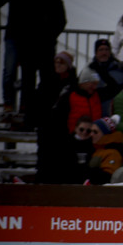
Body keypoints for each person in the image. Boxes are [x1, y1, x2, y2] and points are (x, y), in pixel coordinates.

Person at [0, 0, 66, 128]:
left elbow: (60, 19)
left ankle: (34, 107)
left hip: (41, 44)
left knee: (42, 78)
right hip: (19, 40)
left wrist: (50, 36)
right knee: (15, 74)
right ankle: (12, 104)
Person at [35, 51, 77, 183]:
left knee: (61, 158)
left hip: (63, 126)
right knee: (44, 156)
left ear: (68, 65)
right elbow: (38, 102)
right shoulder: (47, 80)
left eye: (62, 62)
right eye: (56, 61)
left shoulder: (73, 83)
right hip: (46, 125)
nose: (58, 64)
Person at [88, 38, 123, 113]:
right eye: (101, 50)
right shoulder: (89, 70)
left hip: (115, 113)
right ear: (96, 52)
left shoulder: (120, 71)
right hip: (94, 112)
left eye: (106, 50)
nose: (104, 53)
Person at [67, 67, 102, 133]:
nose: (95, 87)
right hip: (75, 138)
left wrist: (101, 69)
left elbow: (114, 88)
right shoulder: (70, 96)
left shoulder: (96, 95)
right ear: (83, 82)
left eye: (96, 84)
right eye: (93, 84)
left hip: (92, 137)